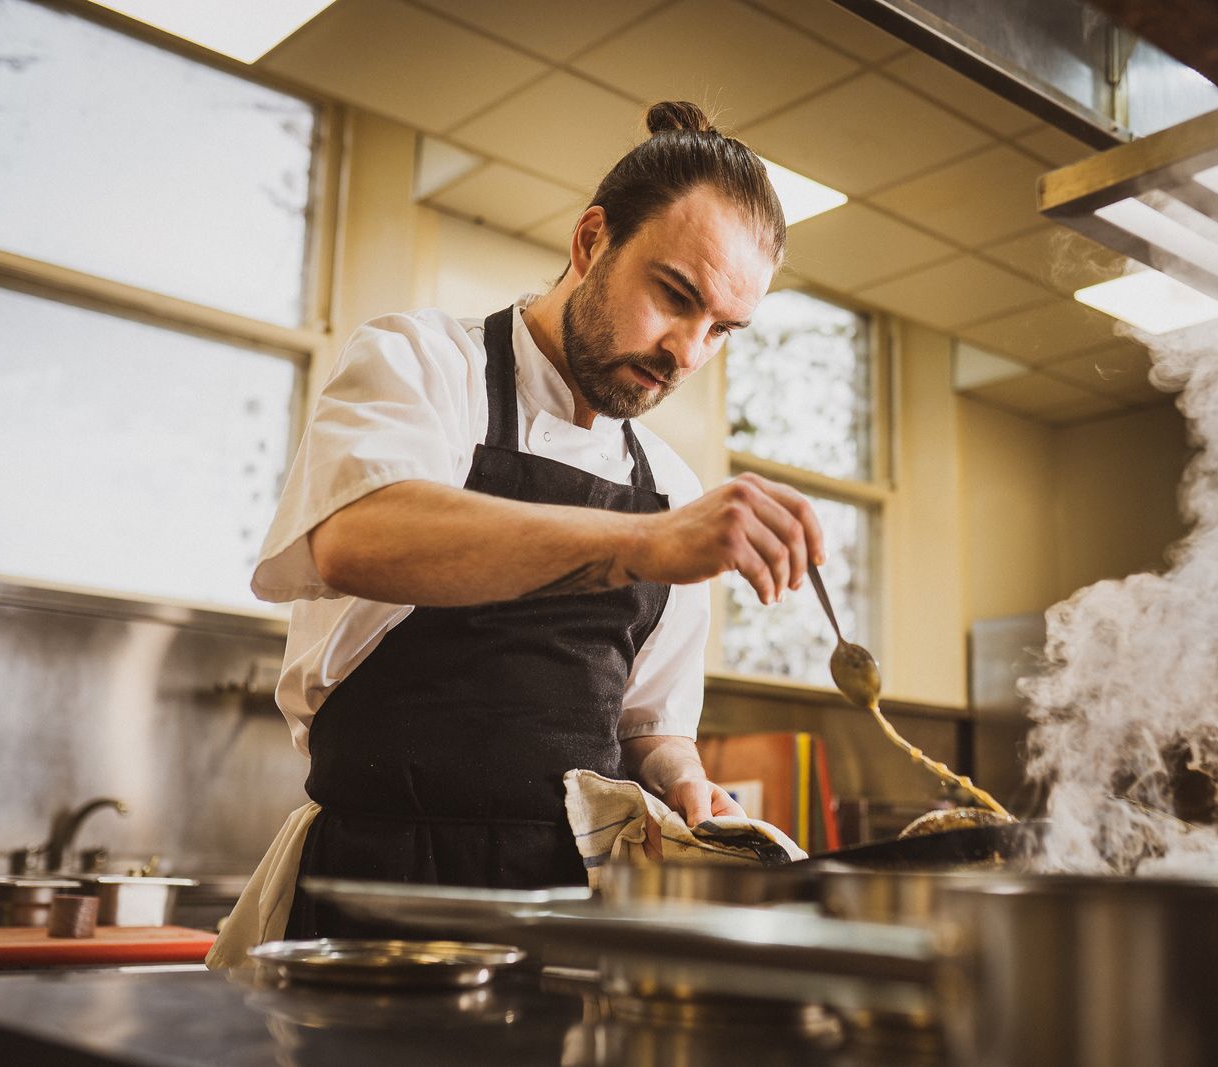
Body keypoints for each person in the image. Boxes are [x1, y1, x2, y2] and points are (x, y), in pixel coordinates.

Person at [222, 100, 824, 943]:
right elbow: (359, 535)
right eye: (674, 295)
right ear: (590, 242)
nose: (687, 352)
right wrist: (645, 543)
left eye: (721, 329)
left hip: (566, 908)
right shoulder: (425, 365)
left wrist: (687, 784)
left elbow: (648, 725)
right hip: (378, 889)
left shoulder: (669, 486)